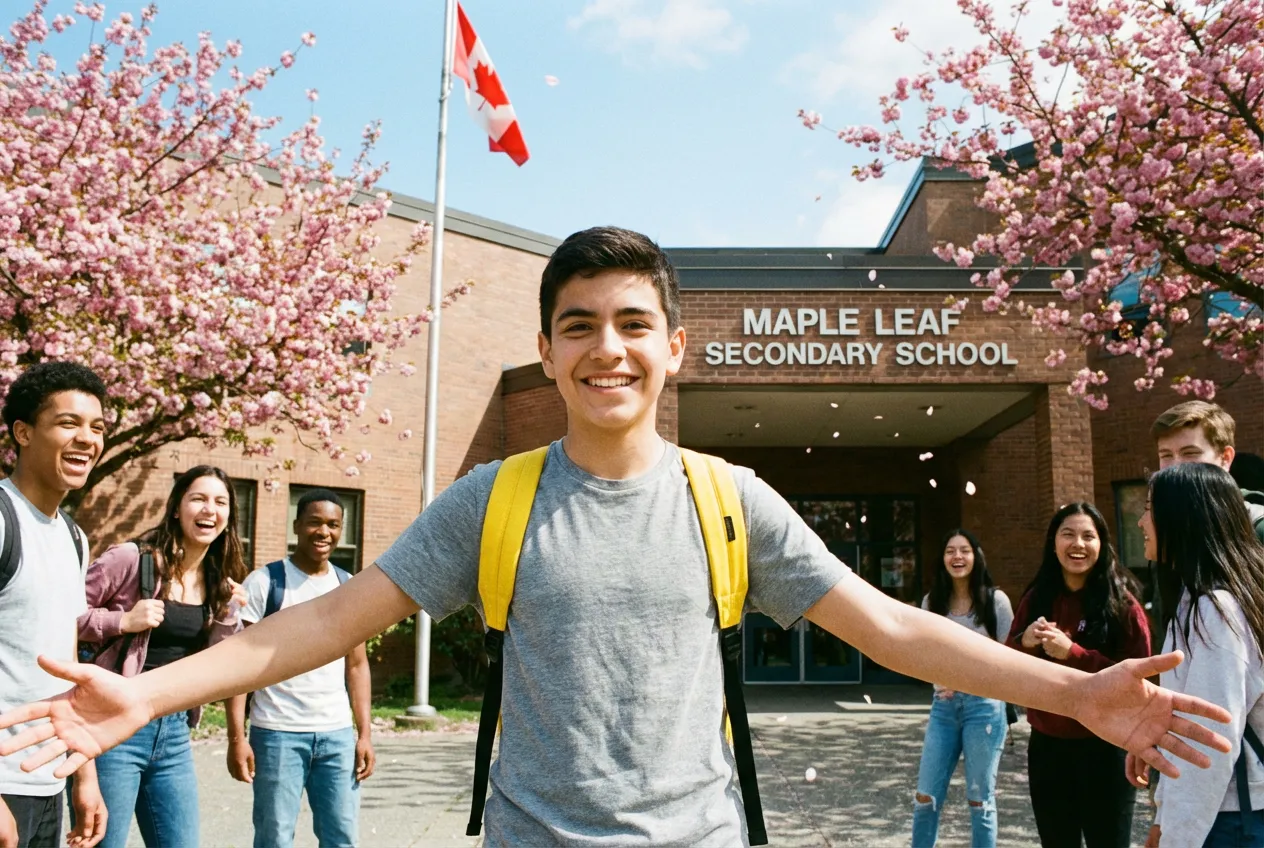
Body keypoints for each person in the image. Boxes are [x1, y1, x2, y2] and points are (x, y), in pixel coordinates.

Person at [0, 227, 1237, 848]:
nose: (607, 346)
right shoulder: (492, 498)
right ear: (547, 349)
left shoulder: (729, 498)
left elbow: (897, 627)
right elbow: (326, 618)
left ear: (674, 348)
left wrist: (1076, 696)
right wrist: (141, 692)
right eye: (580, 323)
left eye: (634, 322)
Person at [75, 466, 247, 848]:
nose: (210, 509)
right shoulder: (131, 559)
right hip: (114, 728)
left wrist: (230, 614)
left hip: (174, 732)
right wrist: (123, 621)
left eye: (220, 502)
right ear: (176, 508)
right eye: (199, 498)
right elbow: (64, 617)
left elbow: (216, 661)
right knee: (103, 842)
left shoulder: (219, 577)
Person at [226, 488, 375, 848]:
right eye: (314, 522)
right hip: (277, 733)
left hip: (336, 736)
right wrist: (236, 738)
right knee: (274, 838)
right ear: (297, 525)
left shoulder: (347, 587)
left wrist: (365, 733)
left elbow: (356, 665)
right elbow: (238, 667)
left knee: (341, 838)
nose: (324, 532)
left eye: (333, 525)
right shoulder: (265, 583)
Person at [1126, 462, 1264, 847]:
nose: (1140, 521)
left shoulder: (1216, 609)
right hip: (1225, 813)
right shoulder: (1197, 600)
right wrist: (1162, 818)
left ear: (1183, 517)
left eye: (1150, 508)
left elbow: (1209, 742)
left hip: (1235, 818)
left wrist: (1175, 837)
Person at [0, 362, 108, 848]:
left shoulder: (74, 537)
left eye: (97, 427)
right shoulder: (3, 521)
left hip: (48, 779)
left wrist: (83, 773)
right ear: (23, 433)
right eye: (69, 423)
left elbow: (67, 666)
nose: (87, 438)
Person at [1008, 502, 1152, 847]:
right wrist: (1025, 642)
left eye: (1089, 536)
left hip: (1105, 748)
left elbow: (1141, 681)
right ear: (1053, 542)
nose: (1078, 544)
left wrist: (1073, 654)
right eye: (1068, 534)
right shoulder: (1037, 597)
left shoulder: (1123, 605)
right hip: (1048, 748)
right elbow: (1007, 667)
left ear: (1102, 544)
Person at [912, 529, 1014, 847]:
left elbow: (1009, 658)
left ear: (976, 556)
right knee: (925, 797)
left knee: (979, 800)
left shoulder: (996, 601)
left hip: (984, 709)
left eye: (964, 550)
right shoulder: (933, 602)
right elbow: (923, 653)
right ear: (942, 559)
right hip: (943, 707)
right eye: (950, 551)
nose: (957, 557)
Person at [1152, 401, 1264, 544]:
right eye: (1166, 455)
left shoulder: (1257, 525)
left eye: (1190, 453)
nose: (1175, 466)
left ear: (1225, 458)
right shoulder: (1166, 526)